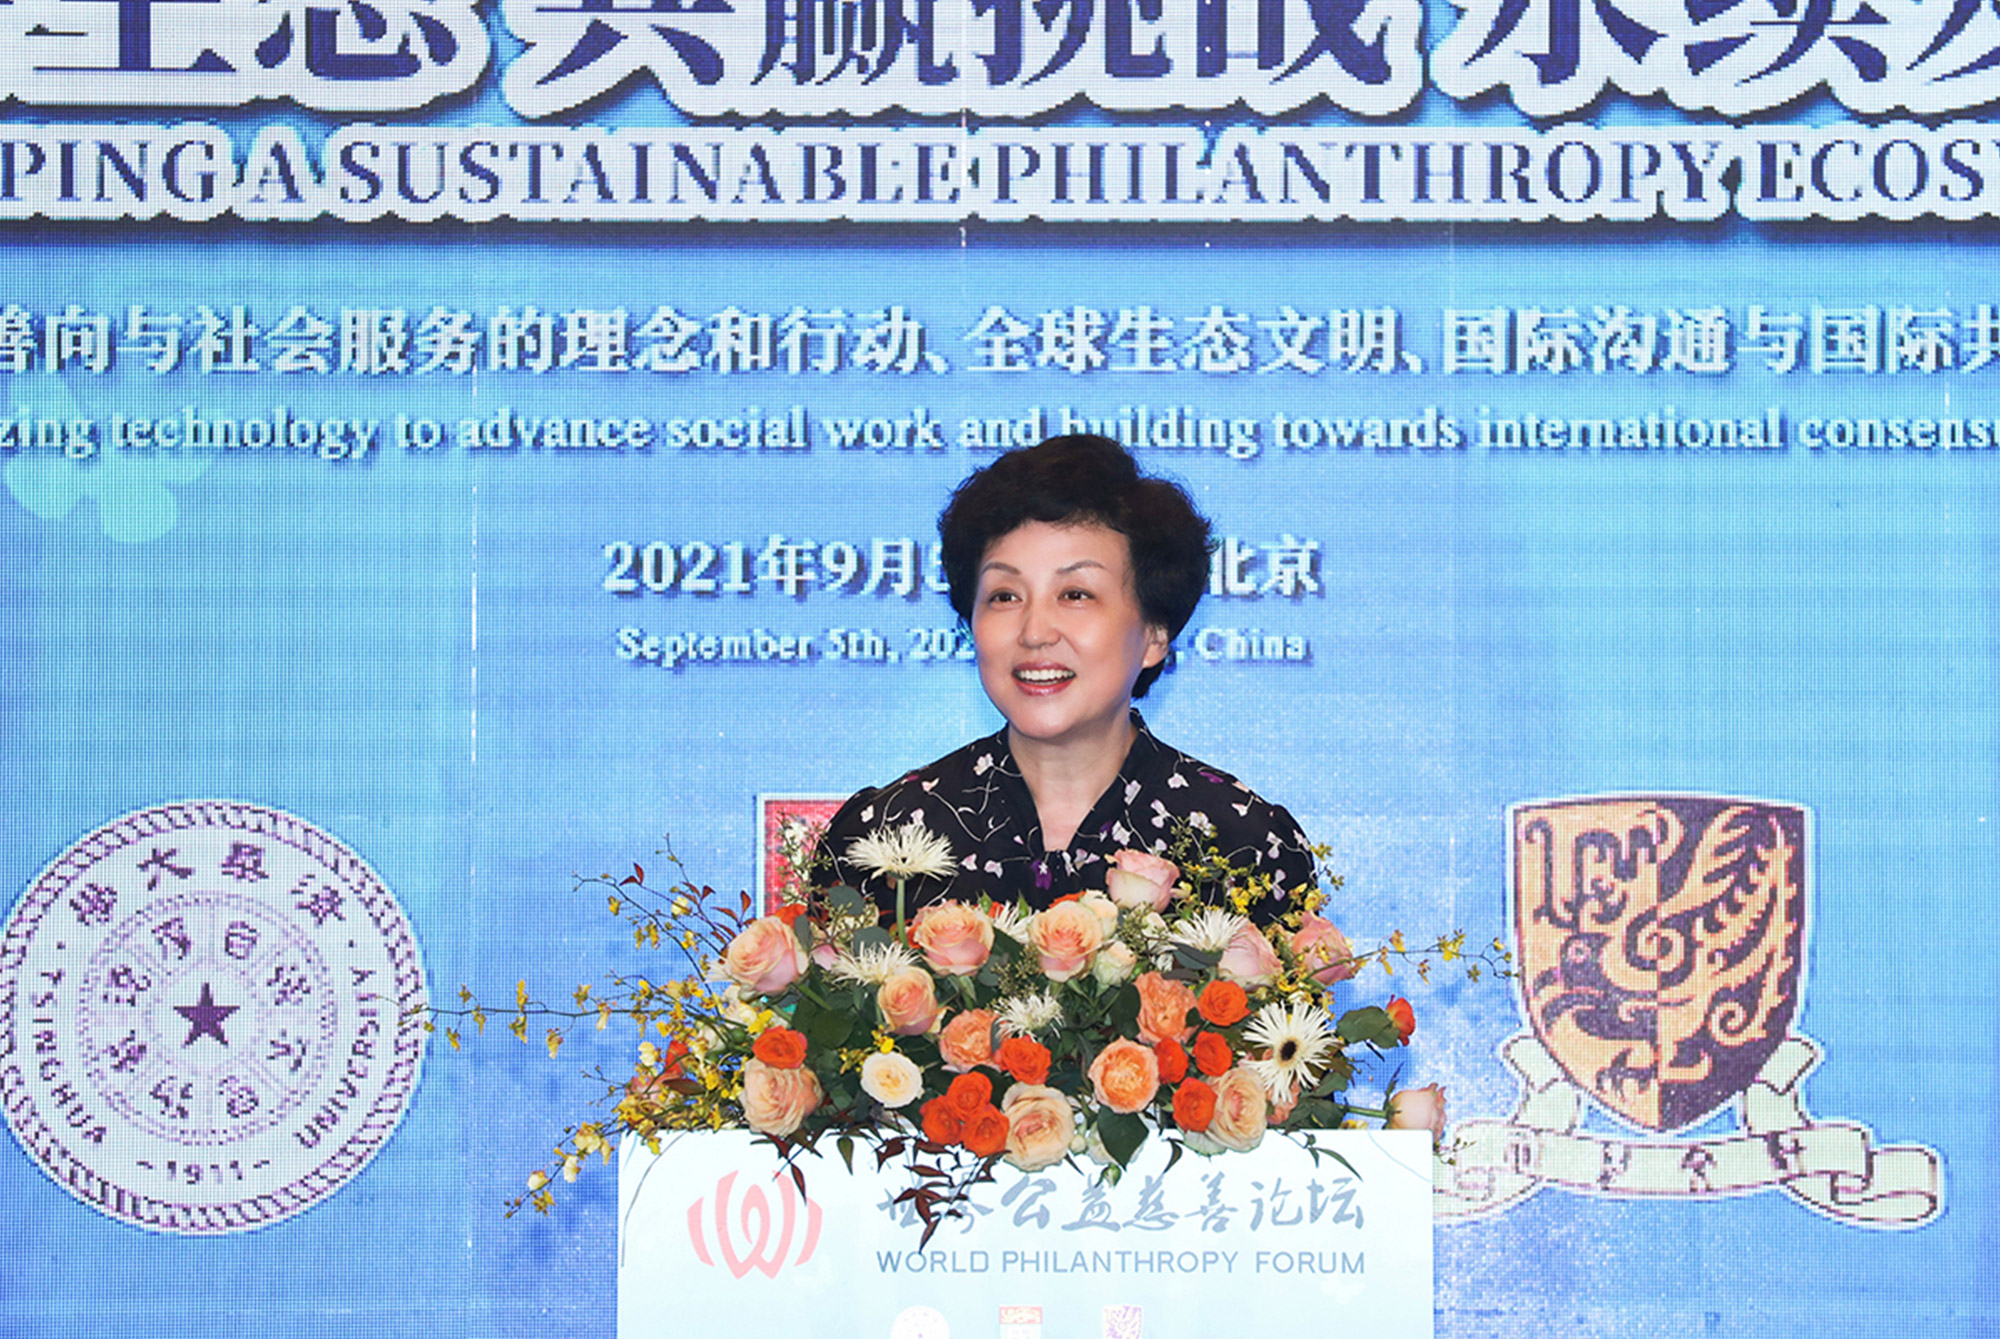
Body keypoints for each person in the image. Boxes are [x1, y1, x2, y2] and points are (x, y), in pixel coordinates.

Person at [816, 433, 1318, 921]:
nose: (1035, 632)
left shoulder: (1242, 845)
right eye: (1004, 596)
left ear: (1154, 634)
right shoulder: (883, 836)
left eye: (1076, 595)